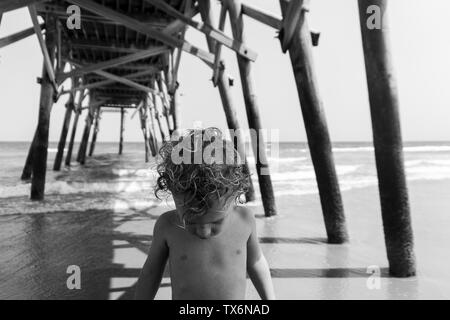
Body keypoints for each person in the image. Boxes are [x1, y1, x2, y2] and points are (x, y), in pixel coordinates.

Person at [134, 128, 275, 300]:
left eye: (216, 222)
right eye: (191, 222)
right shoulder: (167, 226)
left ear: (235, 194)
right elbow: (151, 273)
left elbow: (256, 263)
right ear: (172, 191)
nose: (203, 232)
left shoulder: (245, 220)